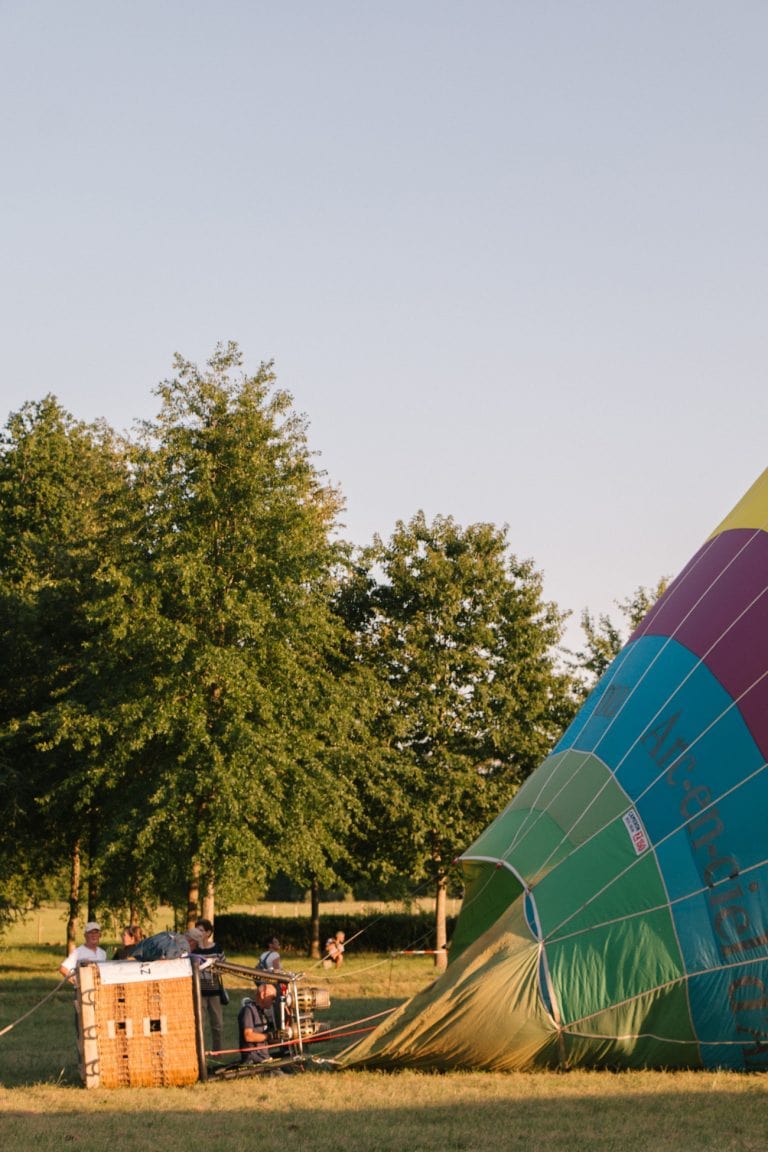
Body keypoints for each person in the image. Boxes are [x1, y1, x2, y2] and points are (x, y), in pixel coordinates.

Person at [195, 917, 227, 1055]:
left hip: (214, 992)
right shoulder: (194, 949)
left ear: (208, 933)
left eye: (201, 930)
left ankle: (217, 1053)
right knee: (200, 1025)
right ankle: (199, 1053)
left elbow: (224, 968)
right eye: (197, 930)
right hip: (199, 992)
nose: (198, 933)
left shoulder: (217, 948)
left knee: (217, 1025)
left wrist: (212, 969)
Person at [237, 983, 281, 1070]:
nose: (274, 1001)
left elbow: (267, 1039)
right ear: (263, 995)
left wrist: (280, 1037)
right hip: (253, 1058)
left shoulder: (263, 1013)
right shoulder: (248, 1010)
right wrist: (269, 1036)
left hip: (264, 1057)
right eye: (272, 998)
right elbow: (248, 1036)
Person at [131, 926, 205, 962]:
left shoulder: (170, 934)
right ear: (192, 941)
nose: (194, 949)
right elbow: (165, 959)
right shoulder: (185, 948)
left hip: (137, 953)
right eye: (196, 946)